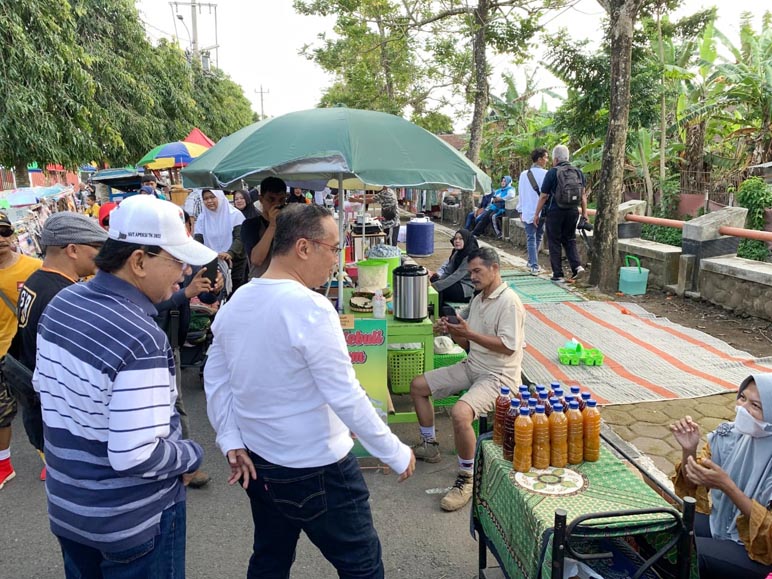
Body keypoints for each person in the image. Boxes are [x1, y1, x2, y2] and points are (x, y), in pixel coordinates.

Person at [204, 203, 415, 578]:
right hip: (318, 466)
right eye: (334, 249)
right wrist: (394, 451)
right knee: (361, 565)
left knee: (270, 557)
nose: (336, 260)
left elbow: (217, 379)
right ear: (303, 247)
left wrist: (229, 437)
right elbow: (345, 393)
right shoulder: (311, 308)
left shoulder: (236, 303)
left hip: (260, 460)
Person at [33, 195, 216, 577]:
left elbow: (47, 394)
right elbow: (134, 454)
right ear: (138, 260)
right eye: (176, 261)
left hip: (70, 510)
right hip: (130, 523)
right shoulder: (141, 337)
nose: (183, 273)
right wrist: (190, 455)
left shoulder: (64, 302)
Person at [410, 246, 525, 511]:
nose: (472, 276)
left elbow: (508, 347)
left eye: (477, 271)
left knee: (461, 413)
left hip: (500, 376)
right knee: (418, 386)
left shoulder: (510, 302)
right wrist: (450, 329)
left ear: (495, 269)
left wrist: (468, 334)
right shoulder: (480, 297)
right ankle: (430, 446)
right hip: (474, 365)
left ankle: (466, 477)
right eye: (470, 271)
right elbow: (467, 343)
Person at [12, 213, 107, 482]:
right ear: (73, 249)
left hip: (38, 406)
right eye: (97, 248)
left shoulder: (34, 281)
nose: (101, 256)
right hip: (60, 415)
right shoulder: (63, 296)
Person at [670, 374, 772, 579]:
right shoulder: (730, 435)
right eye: (742, 398)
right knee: (669, 530)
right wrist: (689, 449)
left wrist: (727, 486)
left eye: (755, 406)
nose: (742, 408)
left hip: (760, 551)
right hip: (722, 524)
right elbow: (692, 485)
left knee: (687, 554)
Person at [154, 210, 224, 489]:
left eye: (184, 225)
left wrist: (213, 290)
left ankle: (180, 465)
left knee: (174, 404)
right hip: (156, 342)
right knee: (171, 405)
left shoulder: (196, 255)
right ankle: (181, 467)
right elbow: (150, 308)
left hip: (174, 342)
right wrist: (186, 291)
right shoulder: (155, 259)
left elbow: (204, 295)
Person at [0, 212, 42, 490]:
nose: (0, 239)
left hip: (24, 354)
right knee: (1, 413)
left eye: (4, 232)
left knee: (38, 408)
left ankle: (50, 458)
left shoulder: (33, 268)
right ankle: (4, 465)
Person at [533, 145, 588, 282]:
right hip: (572, 211)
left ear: (555, 159)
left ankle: (558, 274)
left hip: (555, 211)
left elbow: (544, 196)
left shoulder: (552, 172)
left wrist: (536, 214)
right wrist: (585, 214)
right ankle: (577, 267)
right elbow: (583, 196)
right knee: (570, 239)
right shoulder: (578, 172)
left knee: (554, 241)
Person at [194, 189, 246, 293]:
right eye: (205, 199)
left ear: (220, 197)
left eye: (212, 197)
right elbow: (198, 239)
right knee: (215, 292)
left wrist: (230, 253)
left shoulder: (235, 215)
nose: (209, 201)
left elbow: (240, 237)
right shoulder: (202, 218)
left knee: (235, 292)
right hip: (213, 263)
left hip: (234, 263)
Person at [240, 176, 287, 279]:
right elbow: (256, 260)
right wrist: (272, 226)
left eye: (281, 200)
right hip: (260, 283)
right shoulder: (250, 225)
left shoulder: (289, 224)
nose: (277, 204)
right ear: (261, 199)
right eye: (271, 199)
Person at [517, 148, 549, 275]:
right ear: (540, 159)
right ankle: (534, 265)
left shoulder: (524, 174)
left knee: (531, 237)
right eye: (546, 157)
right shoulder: (546, 174)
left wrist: (520, 210)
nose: (547, 160)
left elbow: (521, 193)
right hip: (541, 211)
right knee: (538, 236)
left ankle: (531, 262)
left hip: (527, 211)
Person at [429, 229, 479, 307]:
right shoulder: (457, 253)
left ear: (466, 240)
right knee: (434, 279)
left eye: (461, 239)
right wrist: (438, 280)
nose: (457, 241)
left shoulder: (471, 256)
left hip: (466, 288)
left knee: (440, 289)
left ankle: (439, 311)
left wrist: (436, 285)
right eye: (455, 238)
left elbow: (456, 276)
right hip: (457, 283)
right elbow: (448, 271)